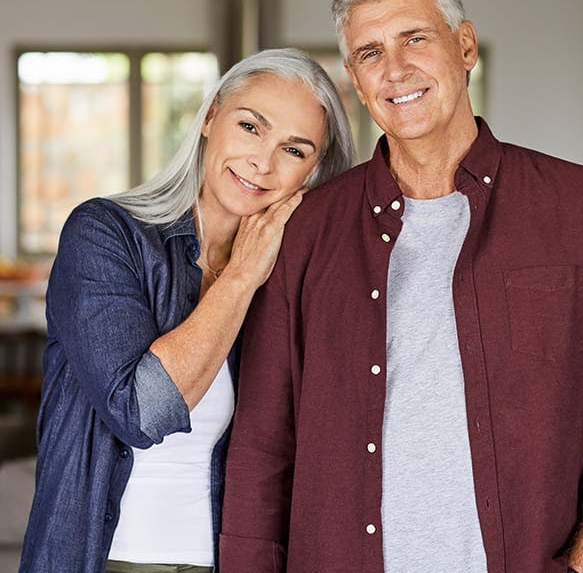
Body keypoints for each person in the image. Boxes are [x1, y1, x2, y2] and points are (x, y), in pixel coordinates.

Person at [219, 0, 583, 573]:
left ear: (464, 46)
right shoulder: (307, 229)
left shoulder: (580, 206)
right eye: (370, 53)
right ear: (354, 76)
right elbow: (262, 448)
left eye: (415, 38)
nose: (396, 69)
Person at [19, 48, 354, 573]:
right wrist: (242, 275)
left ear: (313, 173)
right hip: (104, 557)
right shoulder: (106, 235)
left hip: (234, 559)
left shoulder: (291, 282)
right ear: (211, 115)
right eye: (250, 126)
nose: (262, 162)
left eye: (294, 150)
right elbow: (141, 411)